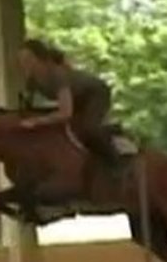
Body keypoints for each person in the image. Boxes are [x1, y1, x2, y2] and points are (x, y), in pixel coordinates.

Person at [17, 37, 122, 171]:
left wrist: (37, 121)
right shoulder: (32, 81)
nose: (23, 64)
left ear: (39, 59)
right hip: (76, 98)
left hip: (95, 93)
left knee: (88, 129)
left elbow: (65, 113)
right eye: (21, 60)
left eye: (28, 59)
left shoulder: (57, 75)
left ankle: (115, 163)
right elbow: (28, 106)